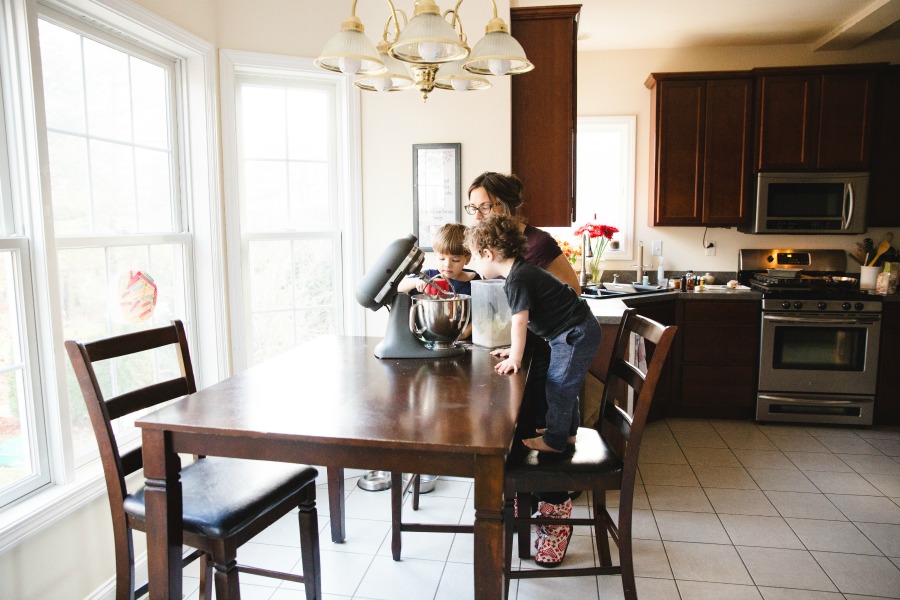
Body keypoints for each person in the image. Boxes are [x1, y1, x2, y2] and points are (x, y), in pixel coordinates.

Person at [465, 214, 601, 566]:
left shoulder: (517, 279)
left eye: (475, 256)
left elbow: (520, 321)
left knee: (559, 386)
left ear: (489, 253)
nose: (473, 263)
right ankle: (566, 433)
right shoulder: (521, 272)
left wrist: (515, 357)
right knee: (563, 385)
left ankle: (555, 439)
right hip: (574, 330)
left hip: (574, 333)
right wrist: (512, 351)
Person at [398, 222, 480, 339]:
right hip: (431, 336)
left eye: (455, 260)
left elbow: (482, 313)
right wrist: (416, 282)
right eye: (442, 258)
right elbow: (398, 287)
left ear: (467, 259)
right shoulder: (428, 276)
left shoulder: (475, 281)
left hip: (464, 340)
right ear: (435, 255)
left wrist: (464, 334)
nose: (447, 265)